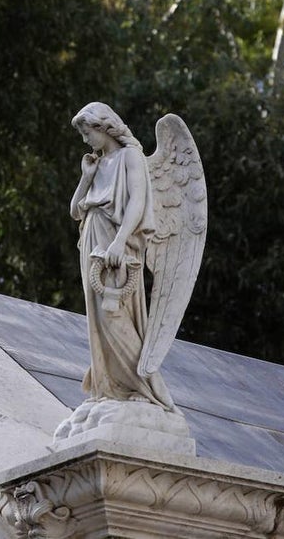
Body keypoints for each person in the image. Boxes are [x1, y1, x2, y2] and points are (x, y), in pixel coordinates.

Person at [69, 102, 174, 411]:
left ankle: (144, 388)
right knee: (97, 318)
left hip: (117, 244)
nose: (86, 140)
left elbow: (137, 202)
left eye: (87, 133)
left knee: (114, 314)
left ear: (103, 127)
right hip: (92, 239)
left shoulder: (131, 156)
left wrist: (119, 241)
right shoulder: (97, 164)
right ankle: (109, 390)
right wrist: (87, 177)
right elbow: (75, 210)